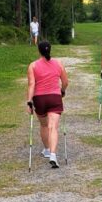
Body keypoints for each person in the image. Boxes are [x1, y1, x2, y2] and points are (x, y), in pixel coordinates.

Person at [26, 40, 69, 168]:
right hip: (55, 97)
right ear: (50, 49)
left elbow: (31, 85)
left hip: (40, 99)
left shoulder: (33, 66)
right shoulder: (59, 64)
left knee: (44, 125)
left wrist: (29, 101)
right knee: (53, 127)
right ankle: (53, 155)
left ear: (39, 51)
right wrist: (62, 91)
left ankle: (47, 149)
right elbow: (65, 82)